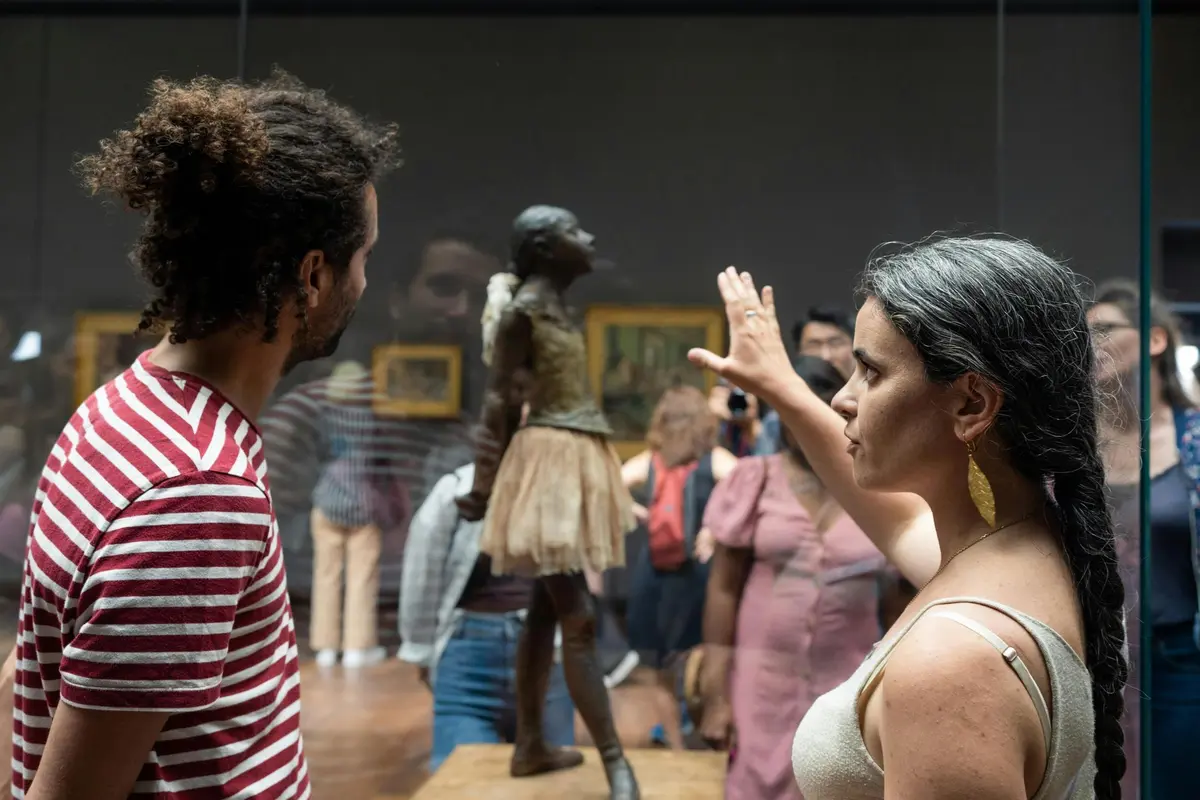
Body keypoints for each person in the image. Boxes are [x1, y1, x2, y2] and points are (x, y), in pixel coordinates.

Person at [12, 72, 400, 799]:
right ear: (312, 275)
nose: (366, 282)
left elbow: (29, 673)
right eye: (365, 258)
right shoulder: (198, 492)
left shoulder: (121, 408)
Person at [689, 240, 1126, 799]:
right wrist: (780, 385)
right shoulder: (1034, 549)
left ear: (971, 405)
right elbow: (896, 524)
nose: (842, 400)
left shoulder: (953, 665)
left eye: (869, 372)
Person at [456, 206, 638, 799]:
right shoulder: (522, 314)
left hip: (573, 458)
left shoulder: (553, 309)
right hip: (549, 470)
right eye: (572, 230)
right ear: (543, 247)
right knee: (577, 617)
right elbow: (498, 405)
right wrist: (483, 487)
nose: (587, 237)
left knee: (543, 608)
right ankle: (616, 762)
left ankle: (531, 745)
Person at [697, 355, 889, 800]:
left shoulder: (879, 490)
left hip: (849, 687)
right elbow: (723, 590)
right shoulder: (754, 480)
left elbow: (900, 600)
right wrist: (715, 696)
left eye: (818, 410)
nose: (804, 422)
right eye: (792, 410)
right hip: (761, 684)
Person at [1089, 279, 1200, 800]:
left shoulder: (1195, 438)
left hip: (1179, 656)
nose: (1091, 345)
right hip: (1092, 657)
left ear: (1156, 340)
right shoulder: (1070, 445)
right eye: (1083, 334)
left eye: (1106, 330)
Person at [399, 456, 576, 772]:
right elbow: (422, 570)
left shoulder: (561, 490)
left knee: (548, 785)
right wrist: (420, 646)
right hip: (477, 650)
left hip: (540, 649)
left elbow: (422, 573)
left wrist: (421, 648)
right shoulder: (457, 489)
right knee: (466, 778)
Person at [620, 385, 738, 749]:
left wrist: (635, 512)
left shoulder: (650, 460)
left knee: (657, 664)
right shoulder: (715, 460)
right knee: (701, 659)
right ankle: (693, 727)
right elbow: (749, 488)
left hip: (654, 573)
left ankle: (672, 738)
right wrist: (716, 527)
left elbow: (612, 485)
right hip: (700, 575)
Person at [756, 306, 856, 457]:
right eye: (814, 345)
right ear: (799, 353)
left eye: (835, 343)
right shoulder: (779, 420)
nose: (825, 356)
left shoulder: (871, 411)